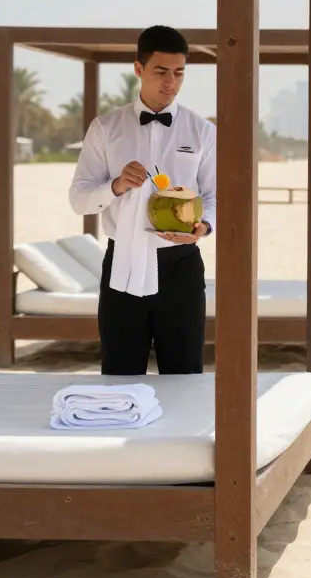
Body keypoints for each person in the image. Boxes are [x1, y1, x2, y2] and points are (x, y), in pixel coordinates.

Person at [68, 25, 217, 376]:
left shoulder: (203, 131)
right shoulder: (106, 128)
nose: (171, 83)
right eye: (161, 72)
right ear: (139, 69)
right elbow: (78, 199)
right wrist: (116, 186)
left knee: (184, 376)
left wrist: (204, 226)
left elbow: (214, 195)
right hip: (122, 260)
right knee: (120, 374)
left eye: (179, 73)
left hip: (181, 266)